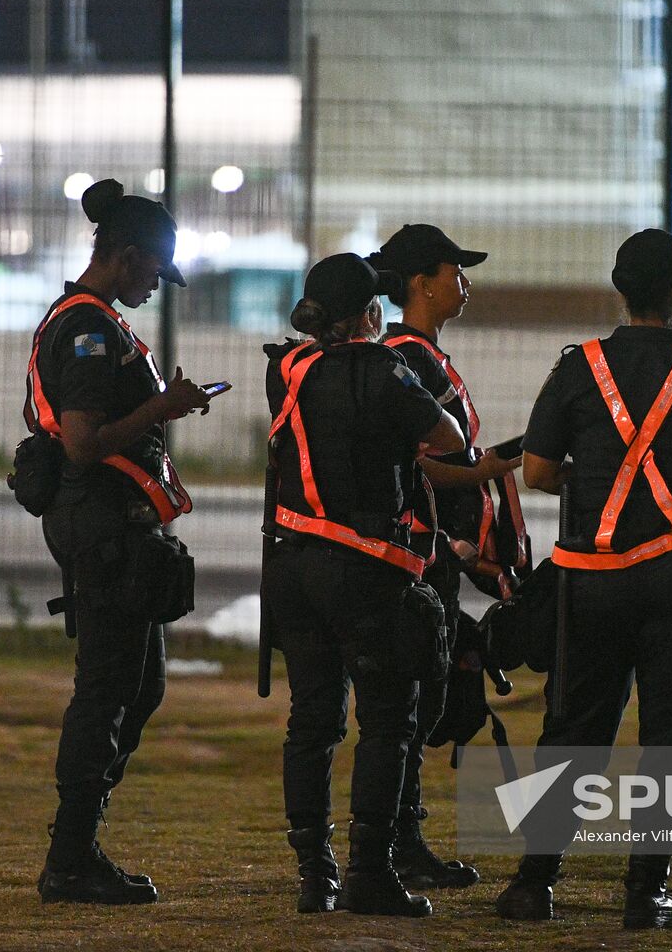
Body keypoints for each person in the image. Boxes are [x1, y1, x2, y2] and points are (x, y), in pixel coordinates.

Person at [495, 228, 672, 928]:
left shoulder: (576, 369)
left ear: (621, 291)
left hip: (593, 579)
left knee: (573, 727)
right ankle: (647, 893)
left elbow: (537, 472)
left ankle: (534, 882)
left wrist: (603, 485)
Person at [25, 178, 212, 904]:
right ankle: (71, 857)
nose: (156, 288)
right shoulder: (89, 329)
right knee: (107, 690)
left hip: (115, 527)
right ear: (127, 257)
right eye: (154, 274)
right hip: (99, 523)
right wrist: (163, 407)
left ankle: (78, 843)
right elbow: (80, 444)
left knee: (139, 687)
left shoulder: (97, 320)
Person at [261, 253, 465, 917]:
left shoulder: (287, 369)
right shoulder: (384, 369)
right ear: (370, 314)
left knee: (312, 721)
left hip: (294, 568)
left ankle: (314, 875)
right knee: (386, 722)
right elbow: (449, 436)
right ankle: (370, 871)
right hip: (367, 569)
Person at [368, 224, 522, 890]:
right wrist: (461, 534)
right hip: (417, 554)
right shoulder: (408, 358)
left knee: (422, 698)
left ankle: (404, 837)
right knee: (409, 701)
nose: (466, 282)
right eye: (457, 270)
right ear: (423, 282)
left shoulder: (420, 354)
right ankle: (397, 843)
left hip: (434, 553)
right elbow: (427, 466)